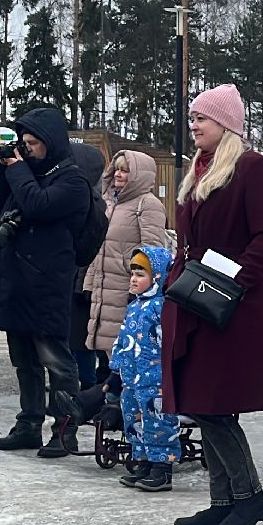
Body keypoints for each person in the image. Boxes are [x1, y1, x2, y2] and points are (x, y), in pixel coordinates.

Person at [164, 85, 263, 525]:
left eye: (202, 118)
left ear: (226, 124)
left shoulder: (252, 168)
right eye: (192, 117)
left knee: (213, 406)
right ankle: (224, 501)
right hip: (195, 302)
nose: (193, 125)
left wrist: (233, 282)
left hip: (231, 308)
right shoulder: (199, 169)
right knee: (201, 403)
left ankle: (248, 497)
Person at [0, 107, 93, 457]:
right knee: (23, 360)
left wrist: (16, 169)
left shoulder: (72, 181)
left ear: (52, 142)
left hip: (47, 284)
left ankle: (64, 430)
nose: (27, 149)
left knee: (56, 361)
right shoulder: (24, 172)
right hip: (16, 279)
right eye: (23, 143)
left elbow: (37, 204)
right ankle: (28, 425)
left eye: (33, 143)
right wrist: (2, 166)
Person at [84, 150, 168, 366]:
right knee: (111, 352)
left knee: (127, 353)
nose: (118, 175)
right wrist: (89, 283)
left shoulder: (148, 205)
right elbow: (100, 248)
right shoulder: (110, 203)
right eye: (117, 169)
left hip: (126, 289)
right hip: (104, 289)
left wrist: (136, 283)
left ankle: (121, 397)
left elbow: (152, 251)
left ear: (139, 175)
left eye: (125, 170)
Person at [109, 246, 179, 492]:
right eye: (132, 274)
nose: (133, 279)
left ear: (157, 277)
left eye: (140, 275)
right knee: (134, 420)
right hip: (132, 379)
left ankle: (162, 467)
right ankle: (144, 460)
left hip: (155, 378)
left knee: (158, 421)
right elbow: (123, 339)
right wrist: (115, 368)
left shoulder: (163, 307)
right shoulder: (134, 306)